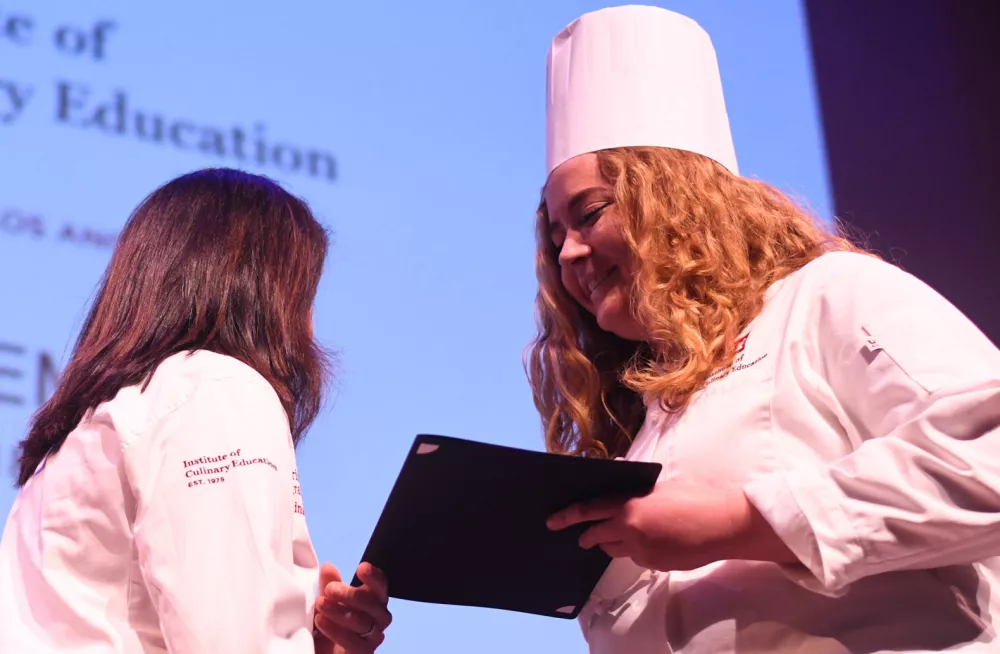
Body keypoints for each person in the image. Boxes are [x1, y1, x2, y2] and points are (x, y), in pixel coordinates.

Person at [530, 6, 1000, 653]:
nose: (568, 256)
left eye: (589, 214)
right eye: (555, 237)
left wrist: (743, 522)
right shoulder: (645, 434)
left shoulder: (825, 296)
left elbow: (990, 460)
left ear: (675, 197)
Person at [0, 169, 392, 653]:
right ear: (262, 291)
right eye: (304, 296)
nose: (309, 331)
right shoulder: (218, 388)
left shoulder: (92, 429)